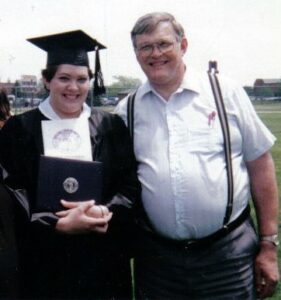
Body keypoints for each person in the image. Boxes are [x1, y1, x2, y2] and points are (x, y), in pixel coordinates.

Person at [115, 12, 279, 299]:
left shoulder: (224, 92)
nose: (155, 54)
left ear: (184, 45)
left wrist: (268, 244)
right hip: (157, 262)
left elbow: (260, 165)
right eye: (145, 47)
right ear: (136, 53)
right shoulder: (126, 110)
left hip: (228, 256)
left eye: (164, 44)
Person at [0, 30, 140, 299]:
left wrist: (104, 210)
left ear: (90, 81)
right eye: (63, 78)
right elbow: (11, 189)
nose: (73, 88)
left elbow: (129, 182)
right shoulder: (20, 129)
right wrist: (55, 223)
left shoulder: (110, 127)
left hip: (101, 258)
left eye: (81, 79)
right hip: (43, 259)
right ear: (46, 80)